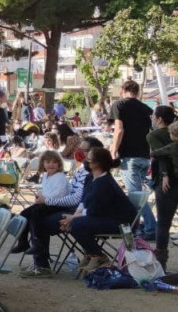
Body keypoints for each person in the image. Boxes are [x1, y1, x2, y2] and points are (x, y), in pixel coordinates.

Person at [60, 147, 139, 277]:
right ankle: (91, 252)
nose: (85, 161)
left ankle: (98, 255)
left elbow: (93, 211)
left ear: (97, 164)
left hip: (121, 222)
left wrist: (73, 218)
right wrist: (74, 216)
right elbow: (83, 201)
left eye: (88, 159)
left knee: (77, 224)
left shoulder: (105, 183)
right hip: (105, 217)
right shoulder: (91, 177)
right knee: (74, 222)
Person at [109, 80, 156, 240]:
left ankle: (150, 228)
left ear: (123, 90)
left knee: (136, 196)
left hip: (129, 156)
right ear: (137, 91)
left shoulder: (119, 105)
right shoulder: (146, 108)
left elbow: (119, 129)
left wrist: (113, 149)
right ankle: (143, 226)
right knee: (140, 195)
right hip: (144, 155)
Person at [147, 106, 178, 270]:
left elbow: (161, 156)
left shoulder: (154, 135)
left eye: (153, 115)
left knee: (163, 224)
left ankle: (160, 263)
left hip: (167, 182)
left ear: (159, 118)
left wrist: (165, 174)